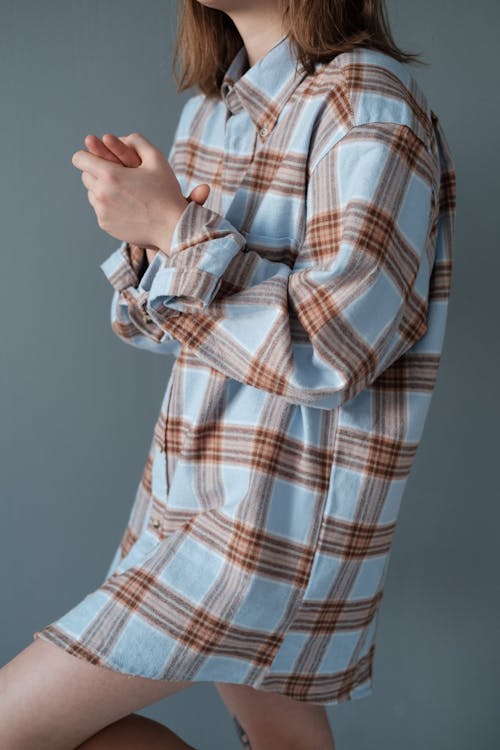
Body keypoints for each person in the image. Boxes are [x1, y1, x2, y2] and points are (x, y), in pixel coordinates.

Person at [0, 0, 457, 748]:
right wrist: (147, 241)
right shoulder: (210, 113)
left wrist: (173, 229)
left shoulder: (368, 102)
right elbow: (167, 329)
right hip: (186, 495)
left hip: (274, 526)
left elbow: (336, 347)